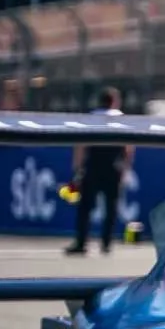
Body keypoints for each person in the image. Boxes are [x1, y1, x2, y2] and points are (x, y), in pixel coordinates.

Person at [65, 87, 133, 256]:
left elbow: (82, 144)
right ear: (114, 102)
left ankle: (81, 242)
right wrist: (126, 167)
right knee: (111, 206)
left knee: (86, 206)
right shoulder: (121, 118)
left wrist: (78, 167)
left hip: (93, 165)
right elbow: (128, 145)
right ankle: (106, 243)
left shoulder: (91, 117)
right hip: (113, 166)